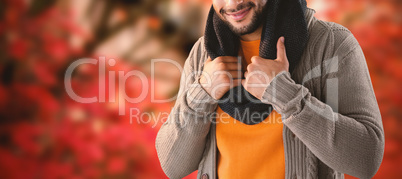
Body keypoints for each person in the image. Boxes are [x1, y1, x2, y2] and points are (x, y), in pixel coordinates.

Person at [155, 0, 384, 178]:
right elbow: (172, 166)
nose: (233, 3)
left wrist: (285, 94)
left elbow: (366, 160)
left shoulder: (332, 44)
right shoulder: (202, 52)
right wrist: (202, 93)